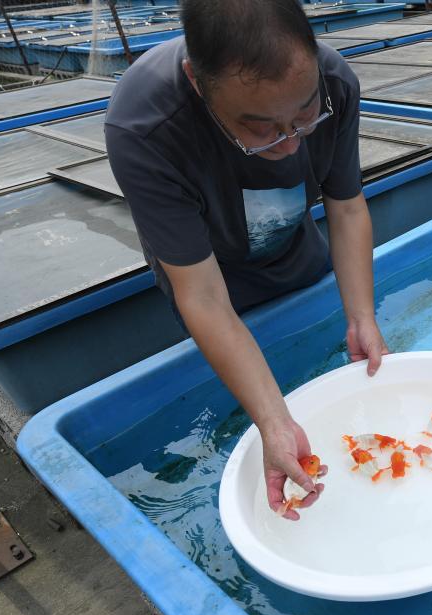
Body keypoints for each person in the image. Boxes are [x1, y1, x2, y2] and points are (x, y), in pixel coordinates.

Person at [105, 0, 388, 520]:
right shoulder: (143, 127)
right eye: (259, 127)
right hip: (208, 276)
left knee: (318, 355)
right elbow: (203, 296)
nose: (289, 142)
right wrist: (274, 423)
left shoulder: (335, 82)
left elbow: (346, 207)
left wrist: (361, 316)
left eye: (305, 114)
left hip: (294, 249)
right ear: (196, 82)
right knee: (242, 406)